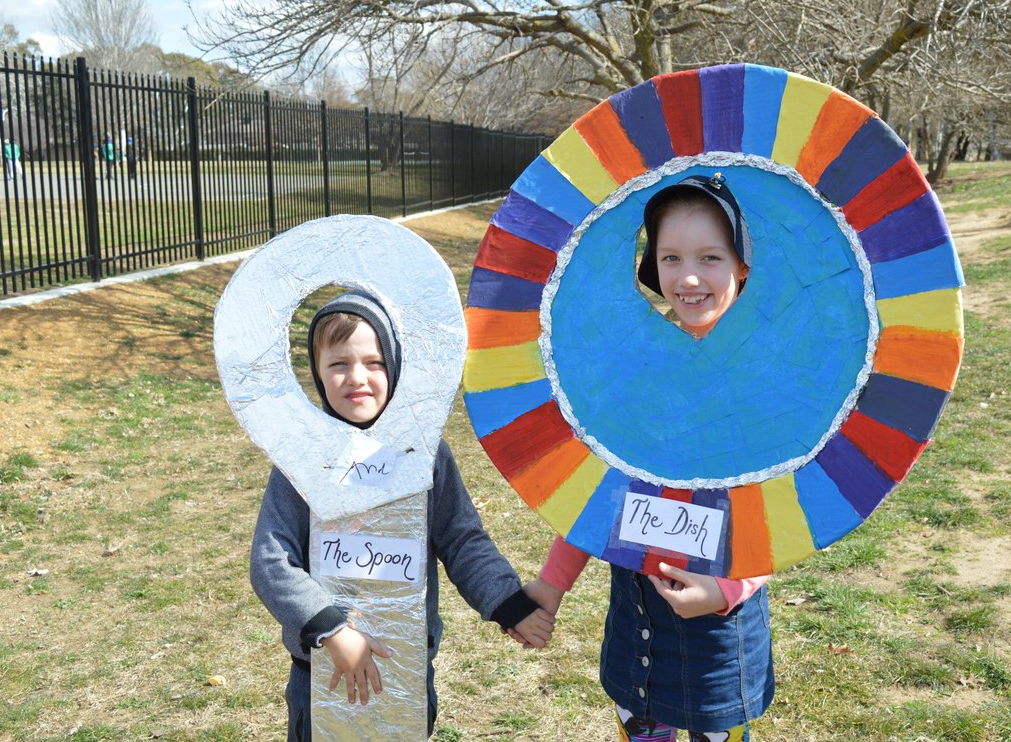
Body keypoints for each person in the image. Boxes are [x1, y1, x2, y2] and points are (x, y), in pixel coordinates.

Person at [522, 173, 775, 742]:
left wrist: (728, 590)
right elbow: (601, 492)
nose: (689, 277)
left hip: (719, 633)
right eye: (671, 258)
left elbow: (786, 507)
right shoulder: (635, 374)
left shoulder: (761, 377)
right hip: (636, 626)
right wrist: (551, 585)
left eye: (710, 257)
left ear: (742, 266)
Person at [249, 287, 555, 741]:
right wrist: (332, 631)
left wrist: (508, 603)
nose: (357, 378)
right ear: (316, 371)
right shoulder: (302, 461)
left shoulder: (423, 455)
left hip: (405, 667)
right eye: (338, 364)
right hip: (324, 671)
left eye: (374, 362)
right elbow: (271, 561)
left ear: (394, 365)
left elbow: (462, 540)